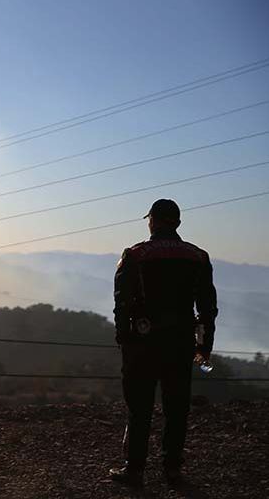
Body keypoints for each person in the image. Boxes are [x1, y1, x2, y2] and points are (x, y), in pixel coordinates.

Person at [110, 199, 218, 487]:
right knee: (177, 406)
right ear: (178, 223)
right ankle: (172, 469)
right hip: (181, 342)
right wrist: (204, 346)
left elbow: (121, 302)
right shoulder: (198, 257)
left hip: (143, 344)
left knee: (140, 407)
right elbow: (207, 308)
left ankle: (134, 470)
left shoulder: (135, 255)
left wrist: (124, 339)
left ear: (152, 222)